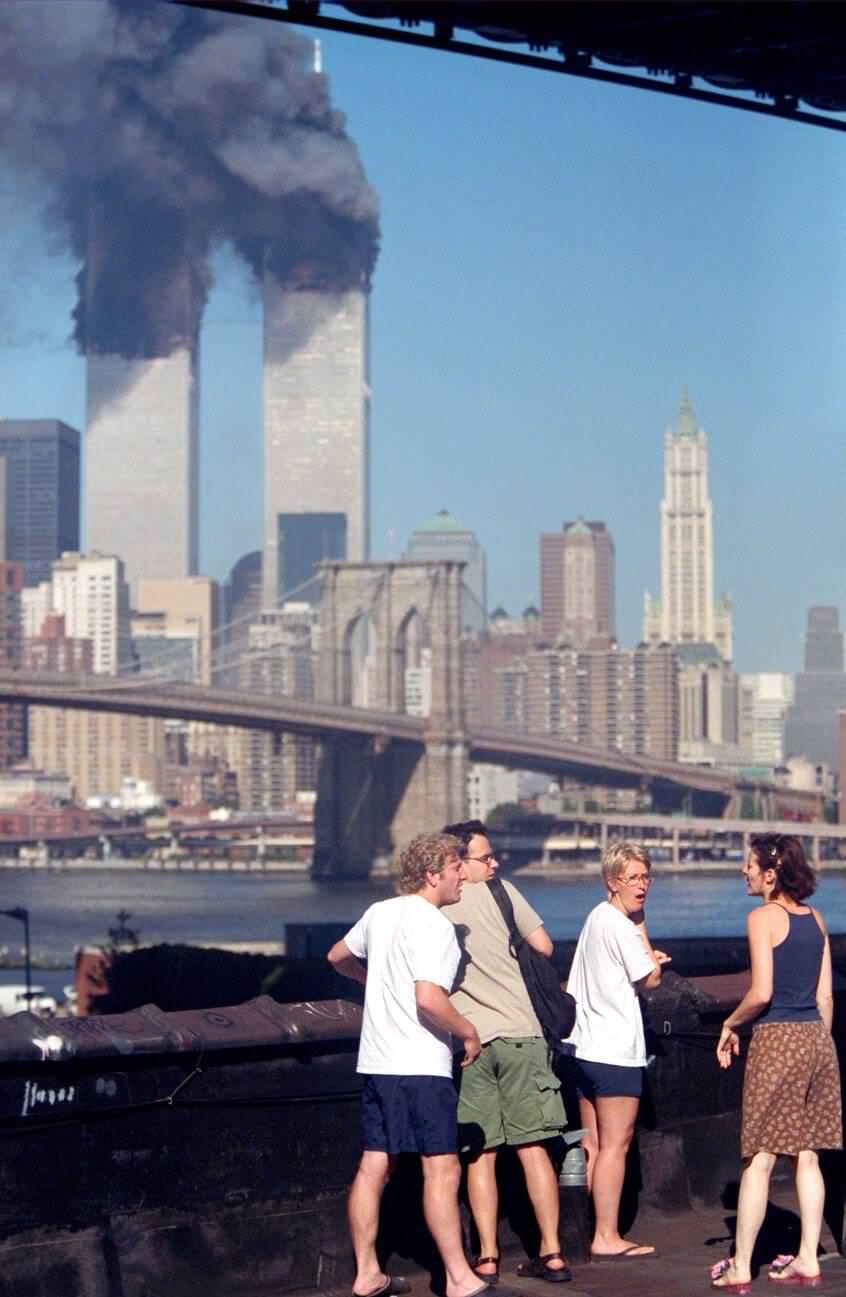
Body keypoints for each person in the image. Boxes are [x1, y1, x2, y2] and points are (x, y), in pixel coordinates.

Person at [327, 832, 499, 1297]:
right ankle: (460, 1279)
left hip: (377, 1061)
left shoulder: (380, 913)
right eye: (455, 867)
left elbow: (337, 957)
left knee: (373, 1166)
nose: (463, 873)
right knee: (442, 1170)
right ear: (431, 876)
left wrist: (374, 980)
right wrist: (467, 1031)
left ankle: (366, 1274)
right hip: (421, 1065)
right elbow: (429, 999)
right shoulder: (436, 926)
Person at [710, 834, 842, 1294]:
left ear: (770, 873)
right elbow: (825, 996)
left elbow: (762, 992)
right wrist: (815, 1043)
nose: (743, 872)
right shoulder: (818, 919)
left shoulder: (763, 917)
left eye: (748, 865)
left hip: (778, 1039)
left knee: (759, 1159)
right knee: (808, 1156)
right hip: (817, 1042)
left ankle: (741, 1265)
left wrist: (730, 1023)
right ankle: (808, 1256)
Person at [443, 819, 571, 1284]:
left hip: (471, 1042)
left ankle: (488, 1257)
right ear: (460, 860)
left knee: (481, 1153)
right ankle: (552, 1253)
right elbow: (544, 945)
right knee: (534, 1147)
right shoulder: (503, 893)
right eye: (485, 857)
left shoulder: (436, 906)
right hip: (522, 1032)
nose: (494, 864)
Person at [564, 840, 667, 1261]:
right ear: (612, 881)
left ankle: (579, 1230)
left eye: (645, 877)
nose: (641, 885)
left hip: (584, 1049)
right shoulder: (622, 925)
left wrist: (642, 958)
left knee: (591, 1144)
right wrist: (646, 939)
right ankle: (606, 1235)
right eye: (632, 878)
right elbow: (651, 979)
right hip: (614, 1052)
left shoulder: (595, 918)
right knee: (615, 1146)